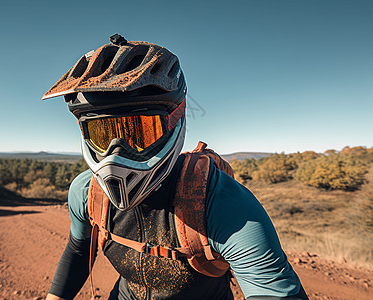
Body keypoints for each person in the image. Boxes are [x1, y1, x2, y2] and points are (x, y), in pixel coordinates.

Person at [42, 34, 309, 300]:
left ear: (175, 121)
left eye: (140, 132)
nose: (117, 154)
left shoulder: (223, 204)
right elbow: (78, 252)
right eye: (102, 134)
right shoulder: (86, 193)